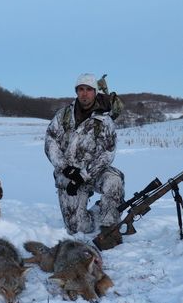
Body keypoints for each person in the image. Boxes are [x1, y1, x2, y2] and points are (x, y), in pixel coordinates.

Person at [44, 73, 125, 238]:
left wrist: (84, 175)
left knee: (113, 181)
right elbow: (50, 142)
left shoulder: (104, 120)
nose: (84, 93)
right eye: (81, 89)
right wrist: (65, 168)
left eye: (89, 89)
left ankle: (109, 225)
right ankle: (97, 211)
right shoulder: (63, 115)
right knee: (76, 228)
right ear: (76, 91)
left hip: (94, 172)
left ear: (95, 92)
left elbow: (107, 153)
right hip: (68, 174)